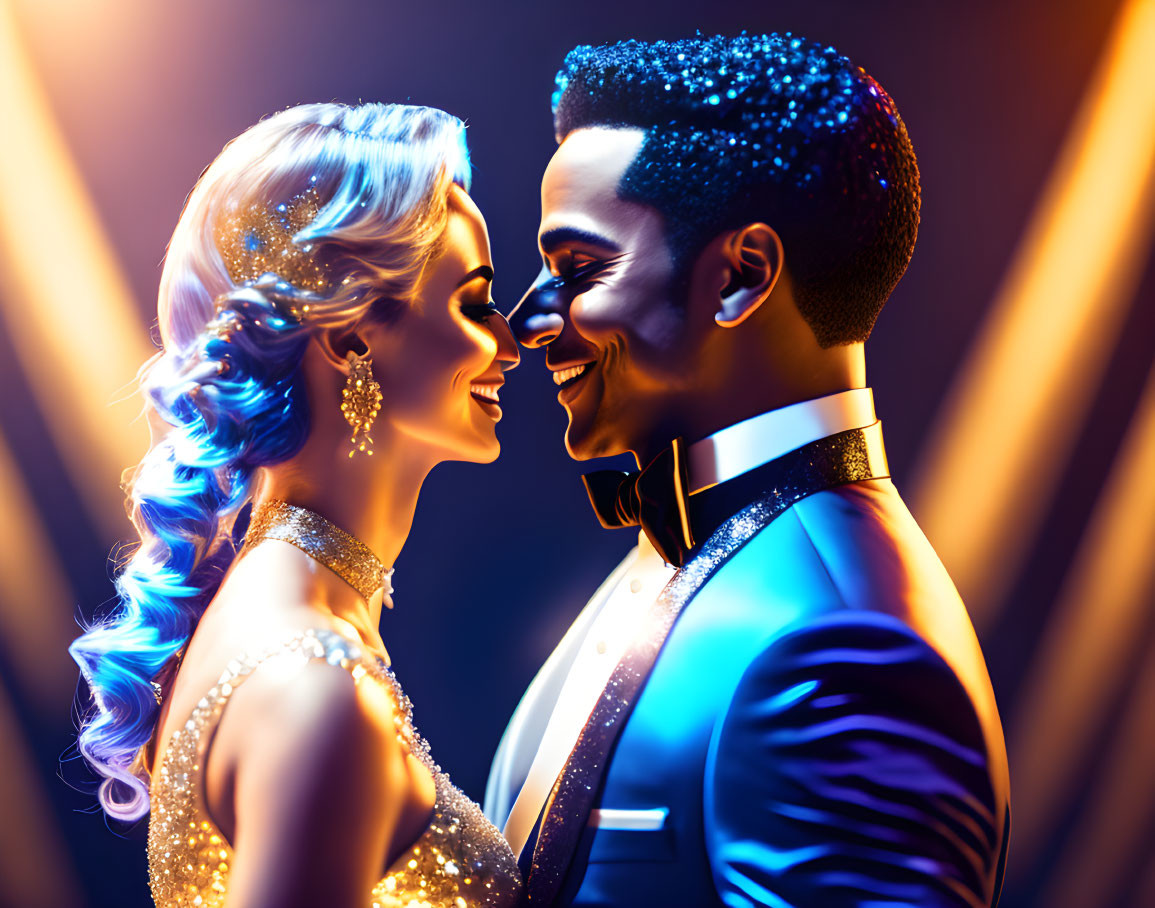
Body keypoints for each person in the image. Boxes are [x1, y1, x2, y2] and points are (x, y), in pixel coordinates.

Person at [486, 34, 1010, 907]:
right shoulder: (690, 544)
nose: (527, 319)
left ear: (740, 275)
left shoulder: (839, 648)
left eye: (575, 268)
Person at [70, 102, 522, 908]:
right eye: (474, 303)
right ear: (348, 338)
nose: (511, 344)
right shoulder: (314, 685)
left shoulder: (277, 617)